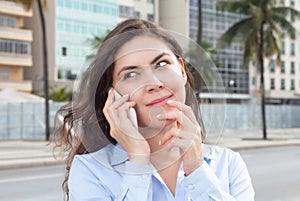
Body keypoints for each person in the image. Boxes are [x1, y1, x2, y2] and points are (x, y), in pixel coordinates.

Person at [53, 19, 254, 201]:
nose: (154, 83)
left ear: (182, 71)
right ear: (112, 94)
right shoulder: (91, 170)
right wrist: (138, 161)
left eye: (162, 64)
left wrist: (197, 168)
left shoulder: (228, 164)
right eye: (131, 74)